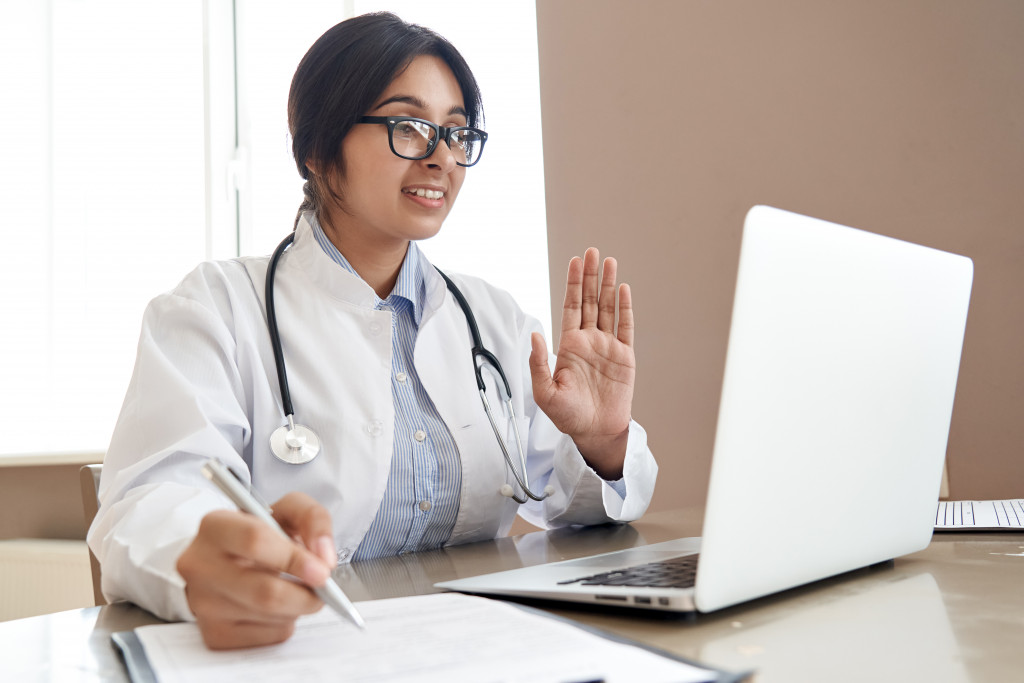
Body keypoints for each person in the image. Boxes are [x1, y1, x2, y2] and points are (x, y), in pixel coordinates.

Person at [88, 12, 657, 650]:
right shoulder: (216, 309)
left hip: (474, 650)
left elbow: (575, 508)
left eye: (456, 131)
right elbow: (149, 503)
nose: (442, 156)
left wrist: (601, 443)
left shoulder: (490, 319)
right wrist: (205, 559)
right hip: (302, 651)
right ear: (317, 149)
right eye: (409, 126)